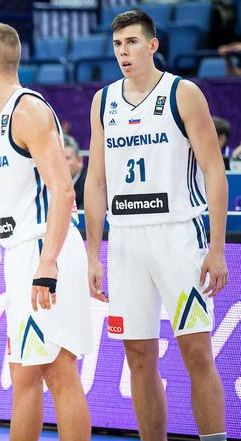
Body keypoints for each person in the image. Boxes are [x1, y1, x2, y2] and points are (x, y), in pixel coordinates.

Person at [85, 10, 229, 441]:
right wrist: (94, 252)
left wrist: (217, 247)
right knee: (138, 356)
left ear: (153, 45)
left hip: (179, 235)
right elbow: (95, 179)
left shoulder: (183, 93)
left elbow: (214, 170)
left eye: (131, 42)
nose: (123, 52)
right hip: (127, 241)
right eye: (116, 45)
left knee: (196, 352)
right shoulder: (103, 100)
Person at [0, 23, 93, 441]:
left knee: (58, 370)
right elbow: (13, 205)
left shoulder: (28, 110)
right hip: (20, 250)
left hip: (43, 250)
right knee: (23, 375)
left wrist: (48, 262)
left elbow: (64, 190)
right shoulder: (1, 118)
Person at [63, 134, 87, 209]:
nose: (61, 163)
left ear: (79, 160)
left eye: (66, 158)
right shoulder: (50, 184)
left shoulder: (89, 182)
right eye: (58, 159)